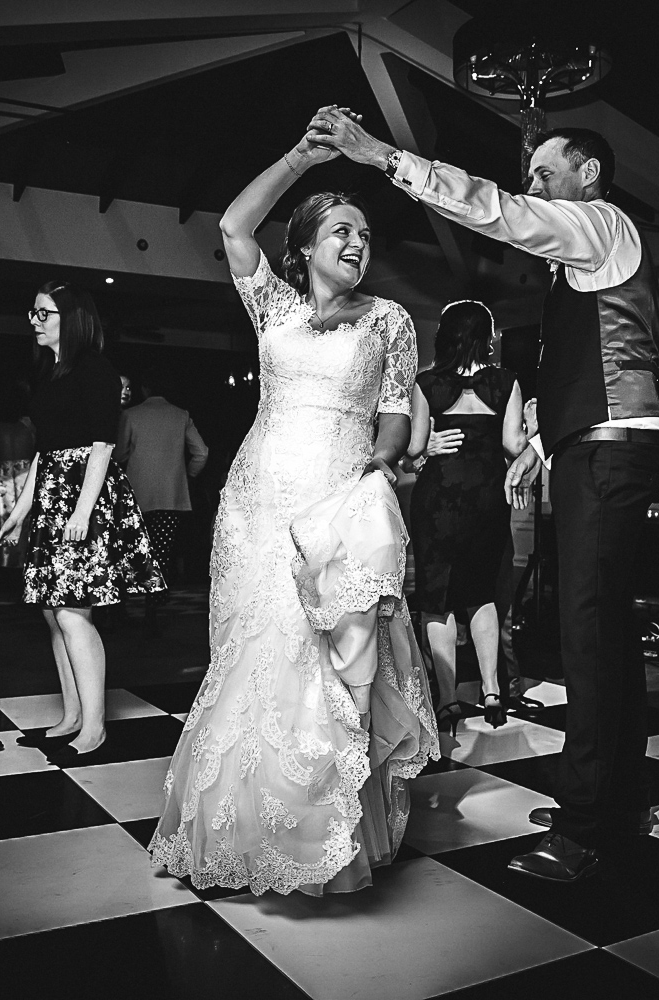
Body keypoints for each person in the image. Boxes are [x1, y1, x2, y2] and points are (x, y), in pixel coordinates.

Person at [313, 111, 659, 882]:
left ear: (589, 176)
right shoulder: (589, 264)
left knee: (587, 634)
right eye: (533, 175)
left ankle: (583, 833)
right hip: (597, 452)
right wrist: (540, 447)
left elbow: (496, 209)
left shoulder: (600, 225)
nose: (533, 185)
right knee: (606, 632)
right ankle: (619, 799)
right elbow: (593, 373)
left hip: (607, 458)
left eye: (547, 172)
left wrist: (382, 157)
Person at [149, 122, 438, 897]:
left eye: (366, 234)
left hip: (338, 504)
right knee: (254, 654)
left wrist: (379, 466)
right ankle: (243, 834)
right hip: (255, 505)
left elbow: (395, 410)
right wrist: (302, 159)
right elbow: (233, 226)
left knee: (334, 665)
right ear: (306, 246)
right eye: (342, 231)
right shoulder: (271, 308)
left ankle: (325, 840)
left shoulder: (390, 321)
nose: (358, 243)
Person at [0, 283, 164, 753]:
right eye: (32, 312)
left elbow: (102, 444)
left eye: (43, 313)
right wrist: (22, 510)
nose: (33, 320)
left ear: (71, 319)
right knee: (55, 614)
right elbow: (44, 452)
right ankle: (72, 715)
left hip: (84, 494)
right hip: (55, 491)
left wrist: (83, 510)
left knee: (74, 612)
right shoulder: (51, 371)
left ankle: (95, 726)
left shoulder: (95, 368)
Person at [408, 299, 527, 734]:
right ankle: (493, 692)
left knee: (437, 599)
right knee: (482, 592)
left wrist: (420, 455)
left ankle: (446, 699)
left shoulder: (428, 383)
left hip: (438, 500)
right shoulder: (506, 382)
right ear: (487, 336)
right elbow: (514, 445)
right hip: (485, 500)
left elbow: (416, 449)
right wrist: (532, 432)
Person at [115, 373, 210, 594]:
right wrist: (188, 475)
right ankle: (154, 606)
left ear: (145, 389)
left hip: (137, 495)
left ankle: (128, 599)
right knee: (162, 552)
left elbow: (119, 454)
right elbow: (202, 453)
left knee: (135, 550)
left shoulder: (130, 415)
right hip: (172, 496)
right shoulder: (181, 415)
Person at [0, 380, 36, 602]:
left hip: (2, 482)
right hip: (23, 480)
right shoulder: (28, 425)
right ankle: (27, 591)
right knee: (26, 535)